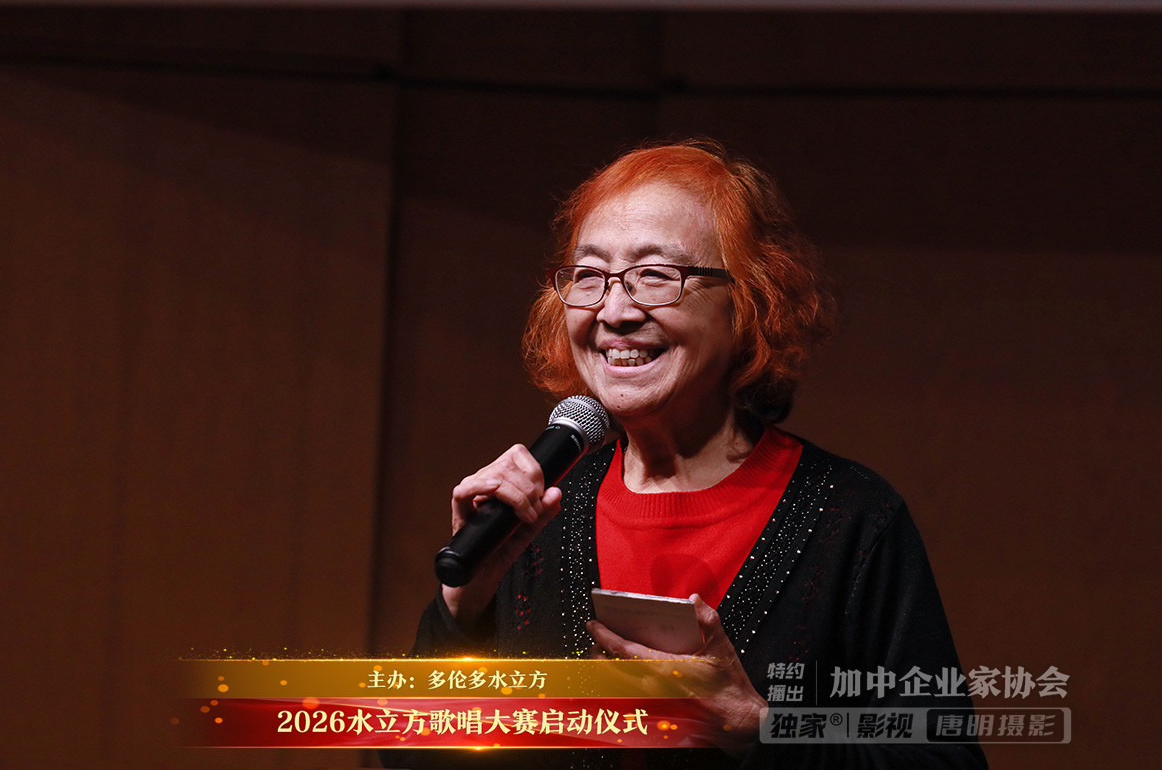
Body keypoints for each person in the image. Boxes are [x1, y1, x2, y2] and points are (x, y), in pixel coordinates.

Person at [406, 139, 987, 769]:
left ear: (749, 303)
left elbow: (945, 761)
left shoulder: (850, 517)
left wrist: (757, 729)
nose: (614, 312)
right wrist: (462, 610)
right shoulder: (538, 515)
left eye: (656, 275)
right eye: (589, 276)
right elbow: (413, 756)